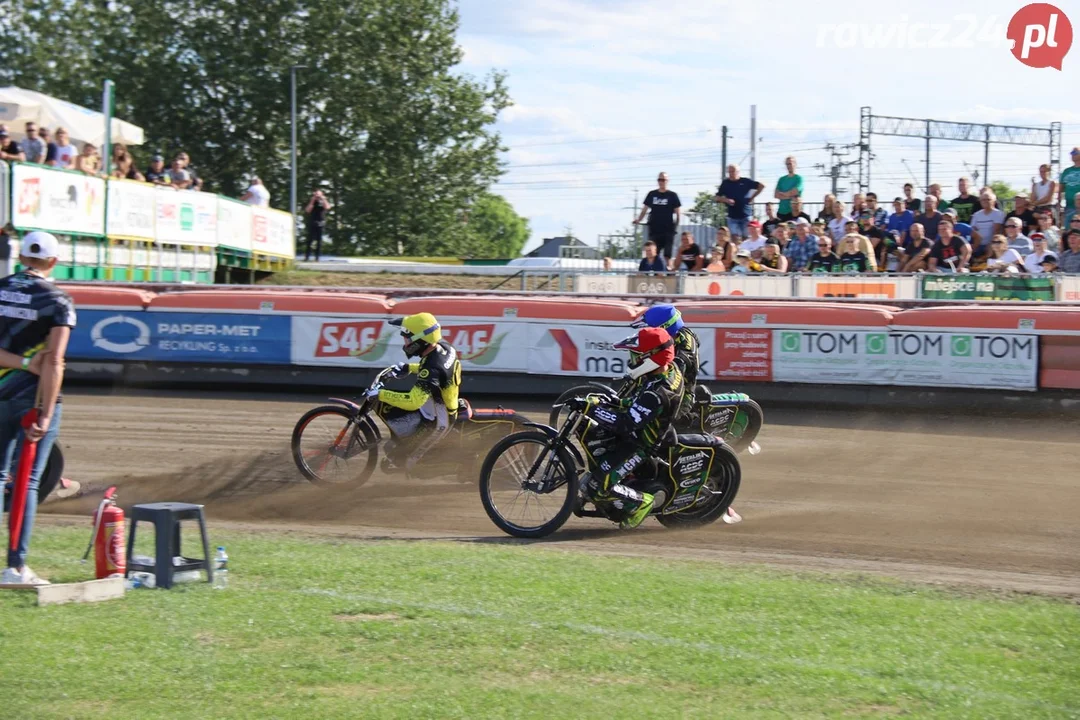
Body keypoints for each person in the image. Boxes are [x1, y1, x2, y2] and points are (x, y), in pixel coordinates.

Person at [0, 232, 76, 586]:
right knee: (27, 482)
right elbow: (55, 362)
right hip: (32, 400)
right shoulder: (58, 300)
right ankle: (16, 567)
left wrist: (22, 361)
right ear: (53, 262)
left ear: (21, 257)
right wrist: (45, 412)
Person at [570, 327, 683, 530]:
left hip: (641, 444)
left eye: (636, 355)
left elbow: (625, 424)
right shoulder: (668, 369)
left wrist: (592, 409)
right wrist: (615, 402)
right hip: (644, 425)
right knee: (590, 434)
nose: (632, 360)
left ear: (651, 358)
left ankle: (641, 502)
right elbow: (636, 404)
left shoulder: (657, 393)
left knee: (597, 487)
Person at [373, 313, 460, 471]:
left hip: (439, 421)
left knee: (408, 462)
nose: (405, 342)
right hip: (437, 406)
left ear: (420, 340)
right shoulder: (444, 348)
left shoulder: (432, 368)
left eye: (407, 338)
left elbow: (413, 401)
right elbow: (433, 371)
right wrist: (408, 368)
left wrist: (380, 395)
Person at [635, 173, 681, 263]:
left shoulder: (672, 195)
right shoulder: (652, 194)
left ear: (667, 181)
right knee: (653, 254)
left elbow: (678, 213)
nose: (661, 182)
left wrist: (675, 228)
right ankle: (653, 274)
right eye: (659, 180)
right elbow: (644, 209)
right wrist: (639, 219)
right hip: (654, 229)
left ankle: (668, 273)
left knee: (667, 255)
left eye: (663, 180)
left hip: (668, 230)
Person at [715, 164, 764, 240]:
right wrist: (726, 200)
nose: (731, 174)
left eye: (733, 171)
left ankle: (746, 251)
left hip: (746, 214)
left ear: (738, 172)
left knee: (746, 237)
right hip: (732, 216)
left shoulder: (745, 181)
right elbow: (717, 197)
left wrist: (752, 197)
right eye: (729, 172)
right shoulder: (725, 183)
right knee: (734, 237)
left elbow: (761, 186)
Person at [304, 189, 333, 261]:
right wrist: (313, 200)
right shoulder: (312, 202)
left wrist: (323, 199)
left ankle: (317, 257)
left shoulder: (323, 201)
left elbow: (327, 207)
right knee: (309, 240)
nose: (317, 196)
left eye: (318, 195)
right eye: (316, 194)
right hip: (312, 222)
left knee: (319, 241)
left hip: (321, 222)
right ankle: (307, 257)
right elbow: (308, 210)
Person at [774, 155, 803, 220]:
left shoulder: (799, 178)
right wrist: (790, 196)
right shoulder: (781, 179)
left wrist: (783, 194)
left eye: (790, 163)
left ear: (795, 164)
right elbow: (776, 195)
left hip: (793, 212)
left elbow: (795, 191)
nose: (789, 166)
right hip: (781, 212)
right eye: (787, 164)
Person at [1060, 147, 1080, 226]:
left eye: (1075, 153)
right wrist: (1059, 202)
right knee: (1069, 227)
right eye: (1072, 153)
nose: (1073, 155)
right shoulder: (1066, 171)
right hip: (1069, 205)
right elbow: (1061, 188)